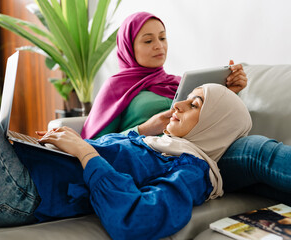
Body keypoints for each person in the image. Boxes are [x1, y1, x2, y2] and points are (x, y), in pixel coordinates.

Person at [0, 51, 251, 239]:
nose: (178, 105)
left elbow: (138, 219)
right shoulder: (161, 146)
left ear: (213, 126)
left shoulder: (191, 170)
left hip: (17, 194)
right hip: (17, 173)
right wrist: (141, 130)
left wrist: (85, 151)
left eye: (195, 106)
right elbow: (123, 156)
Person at [81, 12, 291, 204]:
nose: (159, 46)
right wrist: (146, 128)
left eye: (162, 38)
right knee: (254, 150)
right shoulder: (115, 87)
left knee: (265, 185)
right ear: (128, 47)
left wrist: (232, 91)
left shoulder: (179, 82)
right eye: (148, 40)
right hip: (166, 159)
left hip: (207, 149)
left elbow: (207, 120)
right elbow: (93, 146)